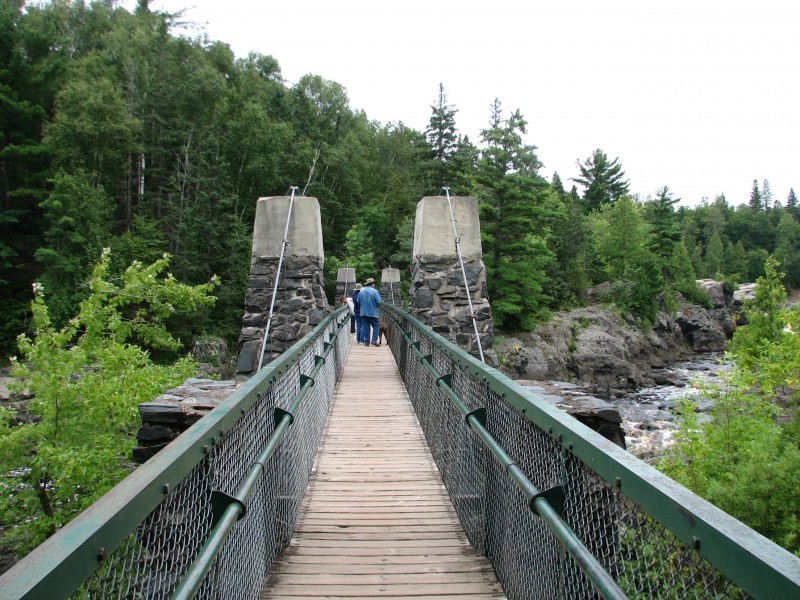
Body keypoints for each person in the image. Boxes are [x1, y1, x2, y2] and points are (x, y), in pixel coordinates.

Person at [357, 278, 382, 346]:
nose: (374, 284)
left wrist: (363, 306)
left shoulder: (361, 290)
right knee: (376, 326)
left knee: (366, 327)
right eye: (374, 283)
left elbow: (358, 301)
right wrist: (375, 306)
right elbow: (379, 302)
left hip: (363, 312)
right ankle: (374, 340)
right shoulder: (374, 291)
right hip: (372, 312)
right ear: (372, 284)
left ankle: (366, 342)